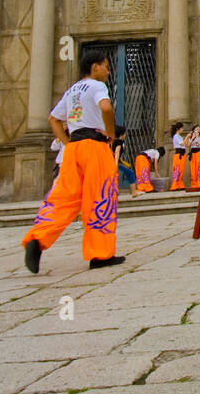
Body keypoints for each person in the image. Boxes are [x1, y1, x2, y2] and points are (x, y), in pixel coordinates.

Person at [21, 48, 124, 272]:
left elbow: (53, 119)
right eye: (106, 66)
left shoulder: (72, 90)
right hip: (95, 147)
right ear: (95, 67)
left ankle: (37, 239)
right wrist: (111, 132)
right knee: (100, 196)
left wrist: (67, 143)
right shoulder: (97, 86)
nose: (107, 71)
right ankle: (100, 254)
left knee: (62, 198)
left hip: (73, 149)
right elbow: (106, 107)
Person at [112, 125, 139, 199]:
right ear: (122, 134)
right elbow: (117, 152)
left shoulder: (115, 141)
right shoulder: (119, 142)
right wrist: (115, 164)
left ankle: (114, 192)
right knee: (130, 173)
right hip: (113, 162)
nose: (125, 134)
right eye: (125, 133)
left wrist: (122, 162)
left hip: (113, 161)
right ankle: (134, 192)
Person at [170, 122, 187, 190]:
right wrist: (187, 137)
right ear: (178, 129)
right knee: (177, 170)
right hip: (178, 154)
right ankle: (175, 185)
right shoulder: (176, 136)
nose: (182, 129)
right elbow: (182, 144)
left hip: (182, 154)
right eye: (182, 128)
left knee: (181, 170)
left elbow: (185, 144)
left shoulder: (179, 136)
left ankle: (180, 185)